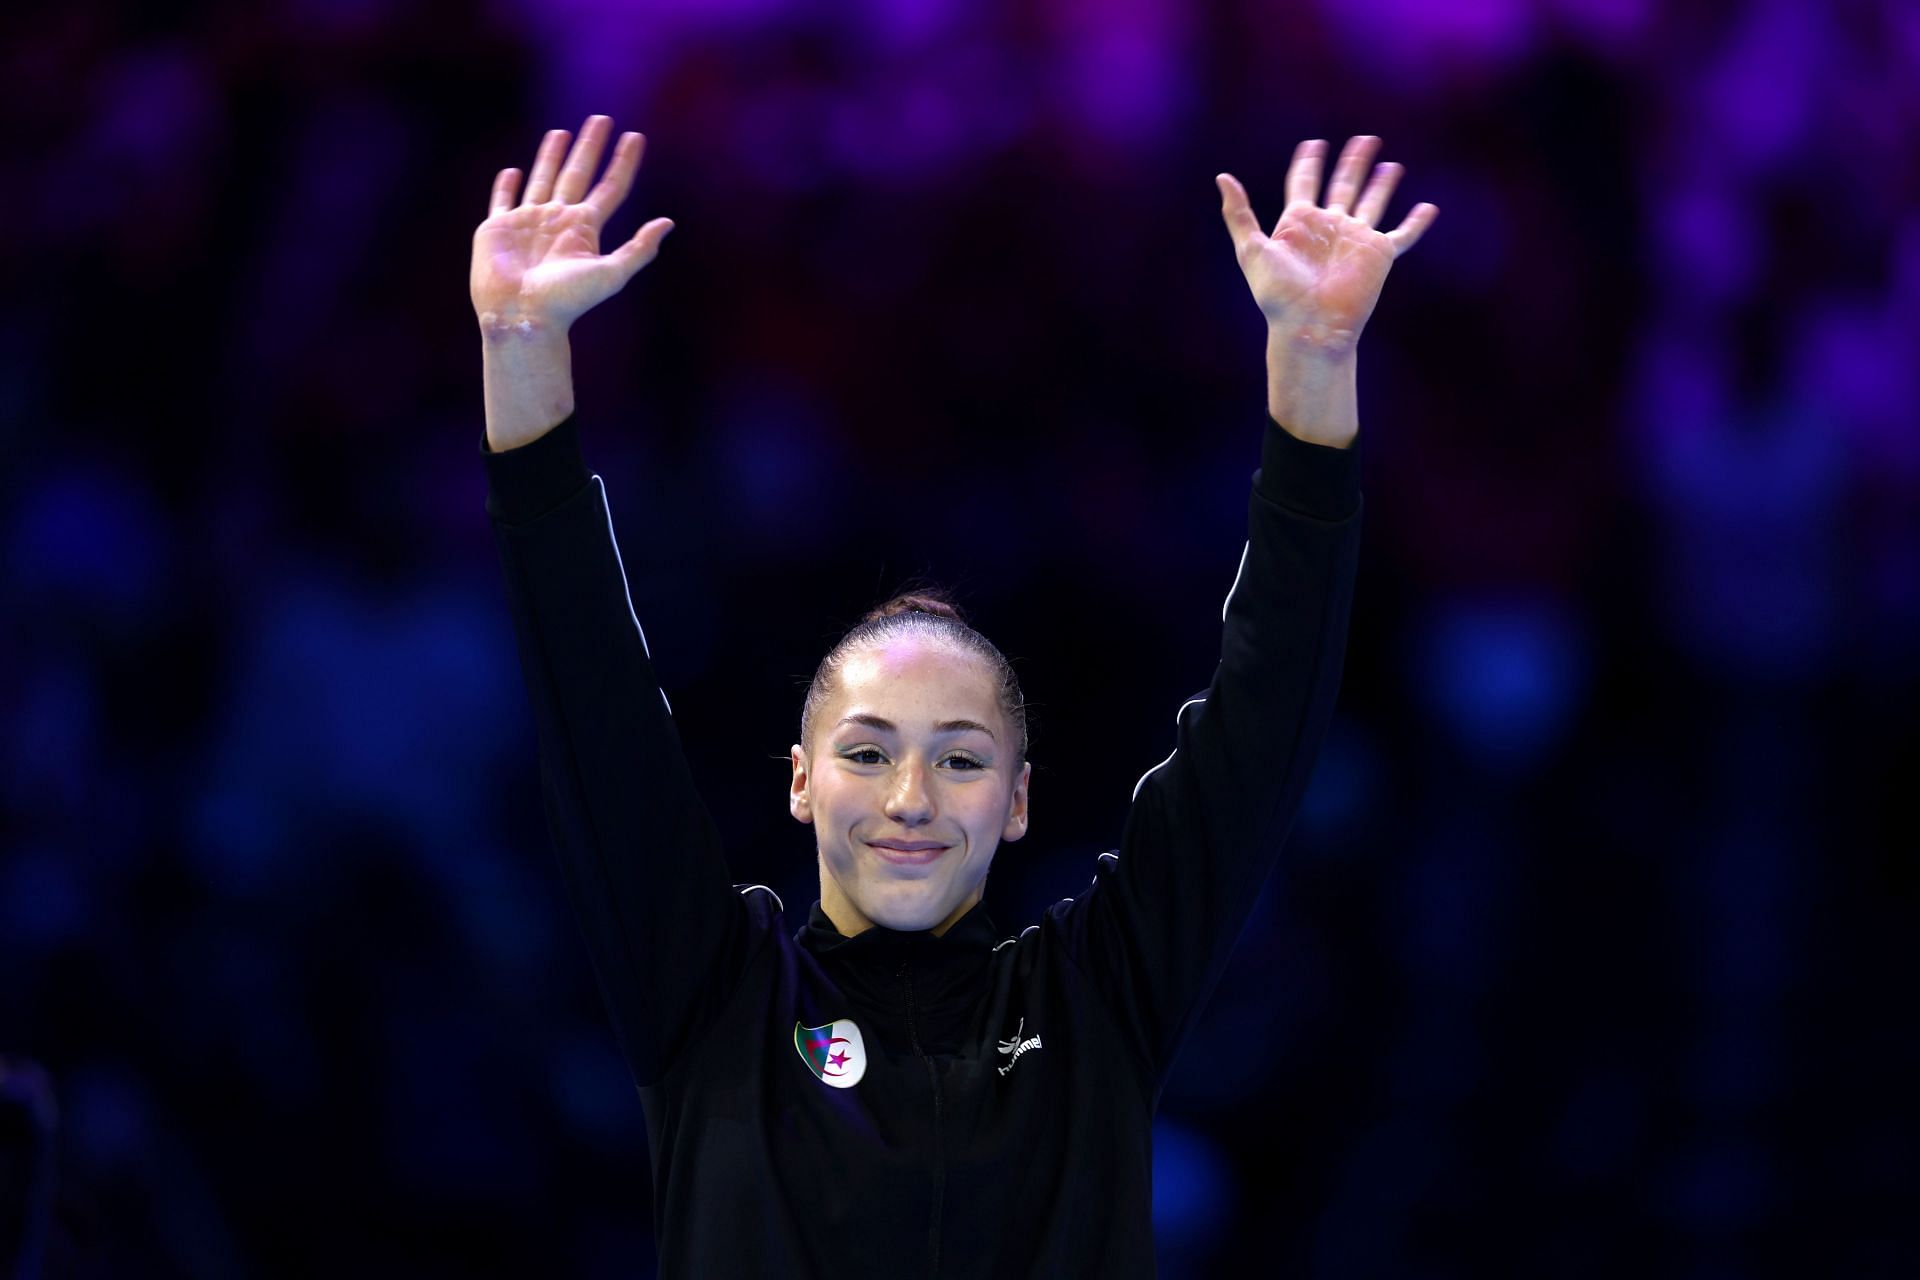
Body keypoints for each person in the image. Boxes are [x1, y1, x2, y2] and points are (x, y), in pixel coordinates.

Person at [472, 114, 1435, 1277]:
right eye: (868, 751)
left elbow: (1263, 712)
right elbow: (593, 697)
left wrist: (1314, 363)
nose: (913, 794)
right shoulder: (708, 989)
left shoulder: (1097, 997)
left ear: (1020, 800)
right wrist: (520, 347)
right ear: (798, 779)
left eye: (963, 756)